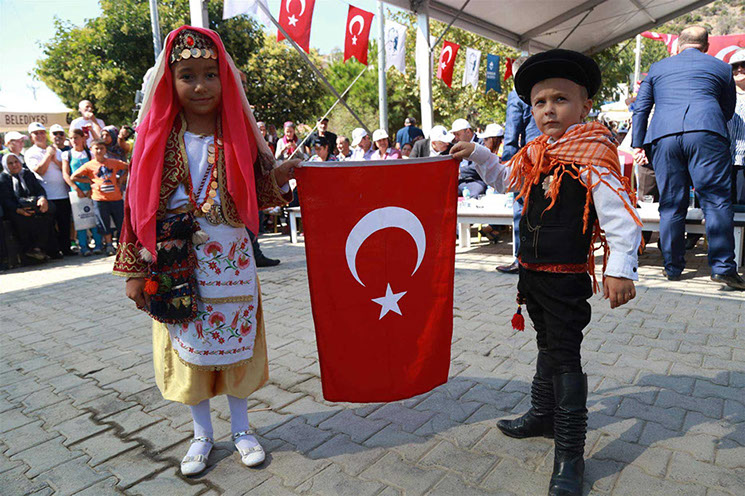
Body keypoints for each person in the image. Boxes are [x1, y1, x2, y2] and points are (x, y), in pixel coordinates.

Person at [452, 49, 643, 496]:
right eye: (540, 102)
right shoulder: (535, 152)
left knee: (564, 354)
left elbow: (619, 216)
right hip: (532, 274)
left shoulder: (592, 155)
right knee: (547, 344)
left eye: (560, 99)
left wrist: (620, 268)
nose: (549, 110)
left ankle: (570, 454)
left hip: (565, 279)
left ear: (584, 106)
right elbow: (505, 180)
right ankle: (542, 414)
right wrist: (478, 152)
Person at [113, 26, 298, 477]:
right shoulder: (155, 138)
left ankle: (242, 429)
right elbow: (135, 206)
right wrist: (134, 269)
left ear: (224, 79)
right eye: (188, 76)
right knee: (188, 347)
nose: (200, 85)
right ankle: (201, 434)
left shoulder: (240, 135)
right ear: (170, 81)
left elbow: (258, 192)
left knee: (236, 343)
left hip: (232, 260)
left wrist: (283, 175)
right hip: (174, 261)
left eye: (210, 74)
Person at [632, 26, 743, 290]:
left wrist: (637, 144)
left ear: (678, 45)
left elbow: (641, 108)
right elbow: (727, 109)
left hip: (664, 136)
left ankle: (672, 267)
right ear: (706, 46)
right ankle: (723, 269)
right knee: (716, 201)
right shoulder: (721, 68)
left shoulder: (658, 68)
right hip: (707, 132)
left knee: (671, 202)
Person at [501, 58, 543, 274]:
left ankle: (522, 259)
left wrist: (509, 166)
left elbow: (512, 132)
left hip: (530, 158)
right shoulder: (545, 90)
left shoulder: (517, 94)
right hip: (553, 154)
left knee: (521, 209)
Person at [24, 122, 74, 257]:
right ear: (31, 137)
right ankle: (53, 251)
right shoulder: (31, 153)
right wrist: (48, 155)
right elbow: (40, 170)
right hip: (48, 195)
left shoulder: (56, 150)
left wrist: (53, 156)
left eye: (41, 132)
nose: (40, 135)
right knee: (50, 226)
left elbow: (64, 168)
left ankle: (66, 248)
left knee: (65, 223)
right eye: (36, 133)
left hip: (63, 192)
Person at [70, 139, 127, 256]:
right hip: (100, 199)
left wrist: (121, 180)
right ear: (91, 150)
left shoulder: (113, 162)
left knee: (121, 222)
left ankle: (122, 245)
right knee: (103, 223)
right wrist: (90, 181)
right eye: (96, 148)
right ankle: (109, 245)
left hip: (116, 197)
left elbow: (128, 167)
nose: (99, 151)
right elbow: (74, 177)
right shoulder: (89, 165)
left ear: (105, 150)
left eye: (102, 148)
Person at [1, 153, 57, 263]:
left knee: (48, 212)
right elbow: (5, 199)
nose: (14, 165)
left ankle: (42, 249)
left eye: (16, 162)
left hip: (31, 204)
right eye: (10, 163)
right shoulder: (3, 178)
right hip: (16, 208)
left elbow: (39, 189)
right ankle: (30, 250)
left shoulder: (27, 174)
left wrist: (42, 199)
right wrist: (19, 210)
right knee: (23, 220)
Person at [63, 129, 103, 256]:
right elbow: (66, 174)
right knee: (80, 219)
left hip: (91, 190)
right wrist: (76, 189)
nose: (74, 141)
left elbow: (95, 171)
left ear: (82, 138)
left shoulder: (89, 153)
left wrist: (92, 188)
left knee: (94, 217)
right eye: (71, 138)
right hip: (77, 191)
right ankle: (83, 246)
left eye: (76, 137)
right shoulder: (67, 154)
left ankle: (98, 244)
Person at [451, 118, 486, 197]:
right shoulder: (456, 145)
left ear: (468, 132)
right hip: (459, 181)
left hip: (475, 181)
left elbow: (478, 166)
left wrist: (460, 171)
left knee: (474, 194)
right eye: (454, 135)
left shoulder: (481, 143)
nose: (456, 138)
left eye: (458, 134)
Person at [728, 49, 745, 206]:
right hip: (724, 159)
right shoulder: (722, 94)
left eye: (744, 65)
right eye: (735, 66)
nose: (739, 69)